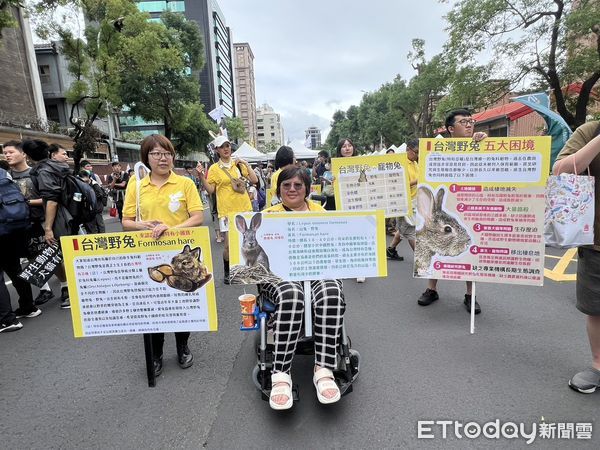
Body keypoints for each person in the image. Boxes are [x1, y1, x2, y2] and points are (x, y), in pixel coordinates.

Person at [262, 166, 346, 410]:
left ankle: (323, 368)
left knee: (332, 290)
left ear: (308, 189)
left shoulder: (321, 213)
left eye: (298, 185)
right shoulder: (268, 215)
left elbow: (334, 251)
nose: (292, 189)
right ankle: (280, 374)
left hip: (317, 271)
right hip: (279, 277)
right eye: (286, 185)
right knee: (292, 294)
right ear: (278, 189)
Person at [122, 134, 203, 377]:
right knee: (153, 306)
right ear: (146, 158)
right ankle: (155, 353)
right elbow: (126, 222)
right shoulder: (136, 185)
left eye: (167, 153)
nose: (163, 158)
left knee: (180, 303)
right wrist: (142, 225)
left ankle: (182, 346)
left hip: (178, 253)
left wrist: (172, 230)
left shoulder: (185, 183)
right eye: (156, 154)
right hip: (148, 253)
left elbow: (197, 216)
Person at [417, 109, 487, 314]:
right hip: (450, 200)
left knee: (469, 250)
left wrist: (484, 140)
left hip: (471, 202)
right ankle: (431, 289)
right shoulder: (439, 149)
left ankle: (470, 294)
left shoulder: (479, 145)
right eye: (463, 122)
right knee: (434, 242)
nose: (469, 125)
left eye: (471, 121)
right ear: (450, 129)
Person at [552, 120, 600, 393]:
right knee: (596, 309)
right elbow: (560, 171)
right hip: (596, 242)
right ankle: (598, 366)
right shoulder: (589, 131)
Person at [196, 136, 257, 284]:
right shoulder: (214, 169)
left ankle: (248, 271)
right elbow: (210, 190)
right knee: (228, 246)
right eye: (222, 146)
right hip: (226, 212)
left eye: (228, 145)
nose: (226, 149)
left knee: (249, 241)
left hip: (244, 208)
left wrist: (246, 164)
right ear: (217, 150)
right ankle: (227, 272)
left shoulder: (237, 164)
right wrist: (201, 176)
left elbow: (254, 180)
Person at [24, 140, 76, 309]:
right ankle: (74, 289)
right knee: (69, 253)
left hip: (59, 217)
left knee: (64, 253)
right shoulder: (56, 167)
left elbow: (51, 200)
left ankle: (74, 293)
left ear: (28, 156)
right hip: (70, 213)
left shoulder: (44, 171)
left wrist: (48, 228)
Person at [3, 140, 54, 306]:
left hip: (39, 221)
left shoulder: (36, 173)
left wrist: (27, 203)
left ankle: (60, 287)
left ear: (23, 153)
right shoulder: (6, 176)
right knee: (23, 259)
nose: (7, 155)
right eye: (5, 152)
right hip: (16, 224)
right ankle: (41, 290)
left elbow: (50, 198)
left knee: (42, 256)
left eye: (11, 152)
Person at [387, 139, 420, 261]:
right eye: (416, 152)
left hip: (415, 201)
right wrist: (418, 180)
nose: (418, 155)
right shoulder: (400, 164)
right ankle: (421, 260)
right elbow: (400, 185)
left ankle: (391, 250)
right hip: (404, 202)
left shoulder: (415, 163)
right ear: (408, 150)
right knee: (411, 231)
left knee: (403, 229)